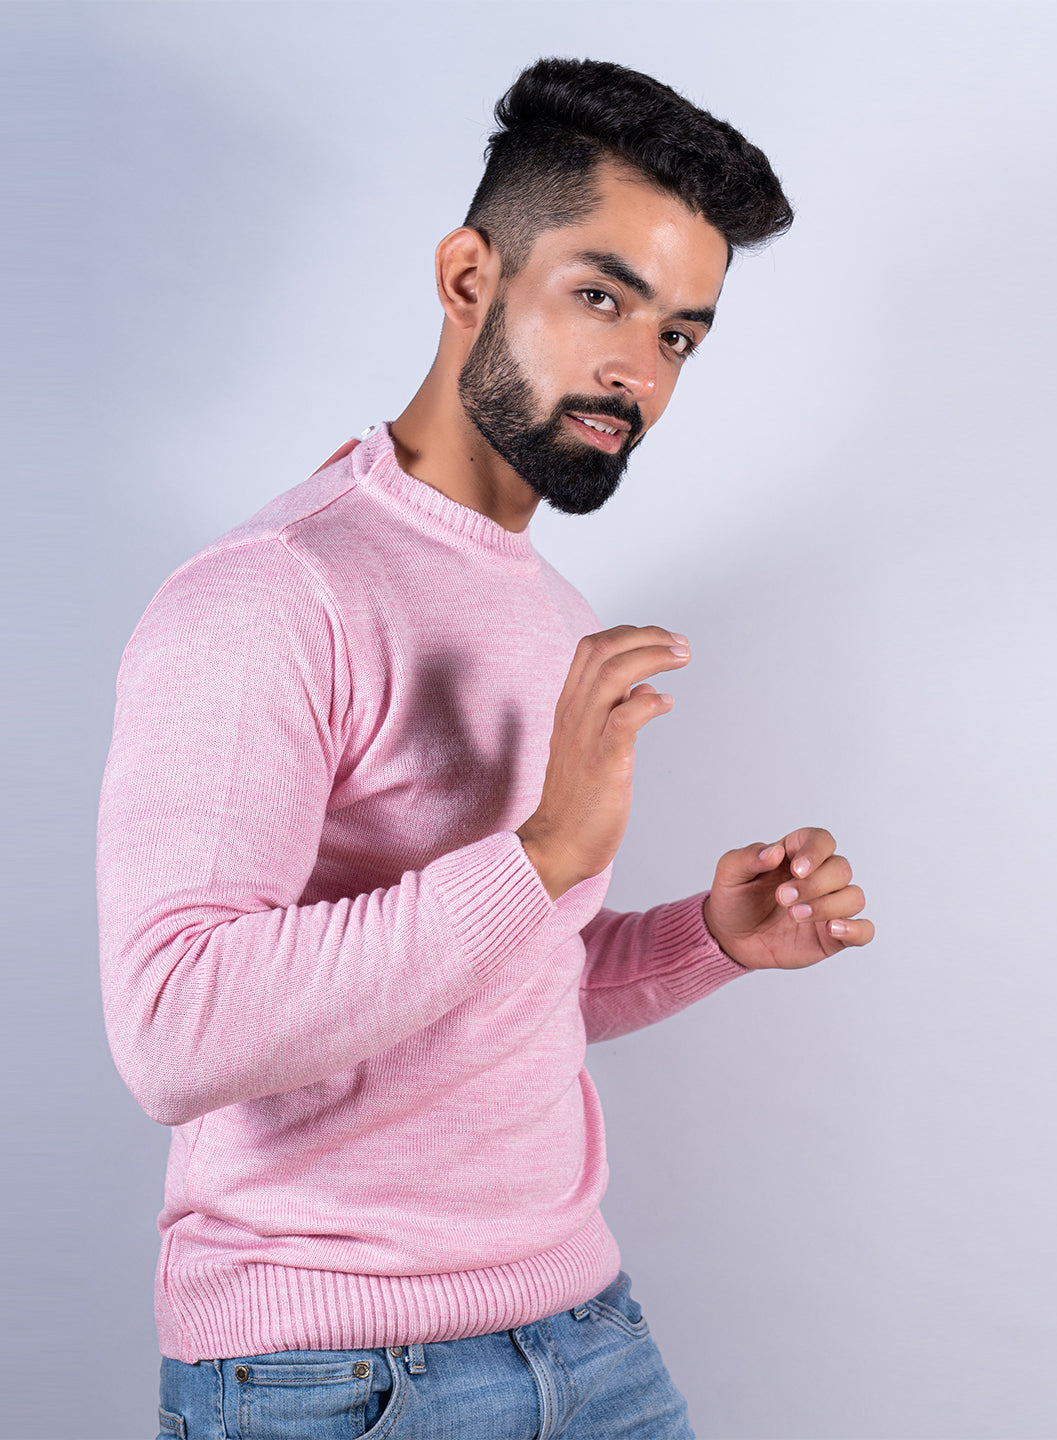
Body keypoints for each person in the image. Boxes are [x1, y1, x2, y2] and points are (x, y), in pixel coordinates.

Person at [98, 57, 874, 1440]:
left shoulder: (547, 606)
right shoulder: (274, 593)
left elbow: (508, 981)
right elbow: (174, 1031)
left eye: (680, 336)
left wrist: (708, 938)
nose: (637, 371)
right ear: (469, 275)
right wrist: (545, 851)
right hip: (331, 1375)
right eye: (601, 298)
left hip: (587, 1333)